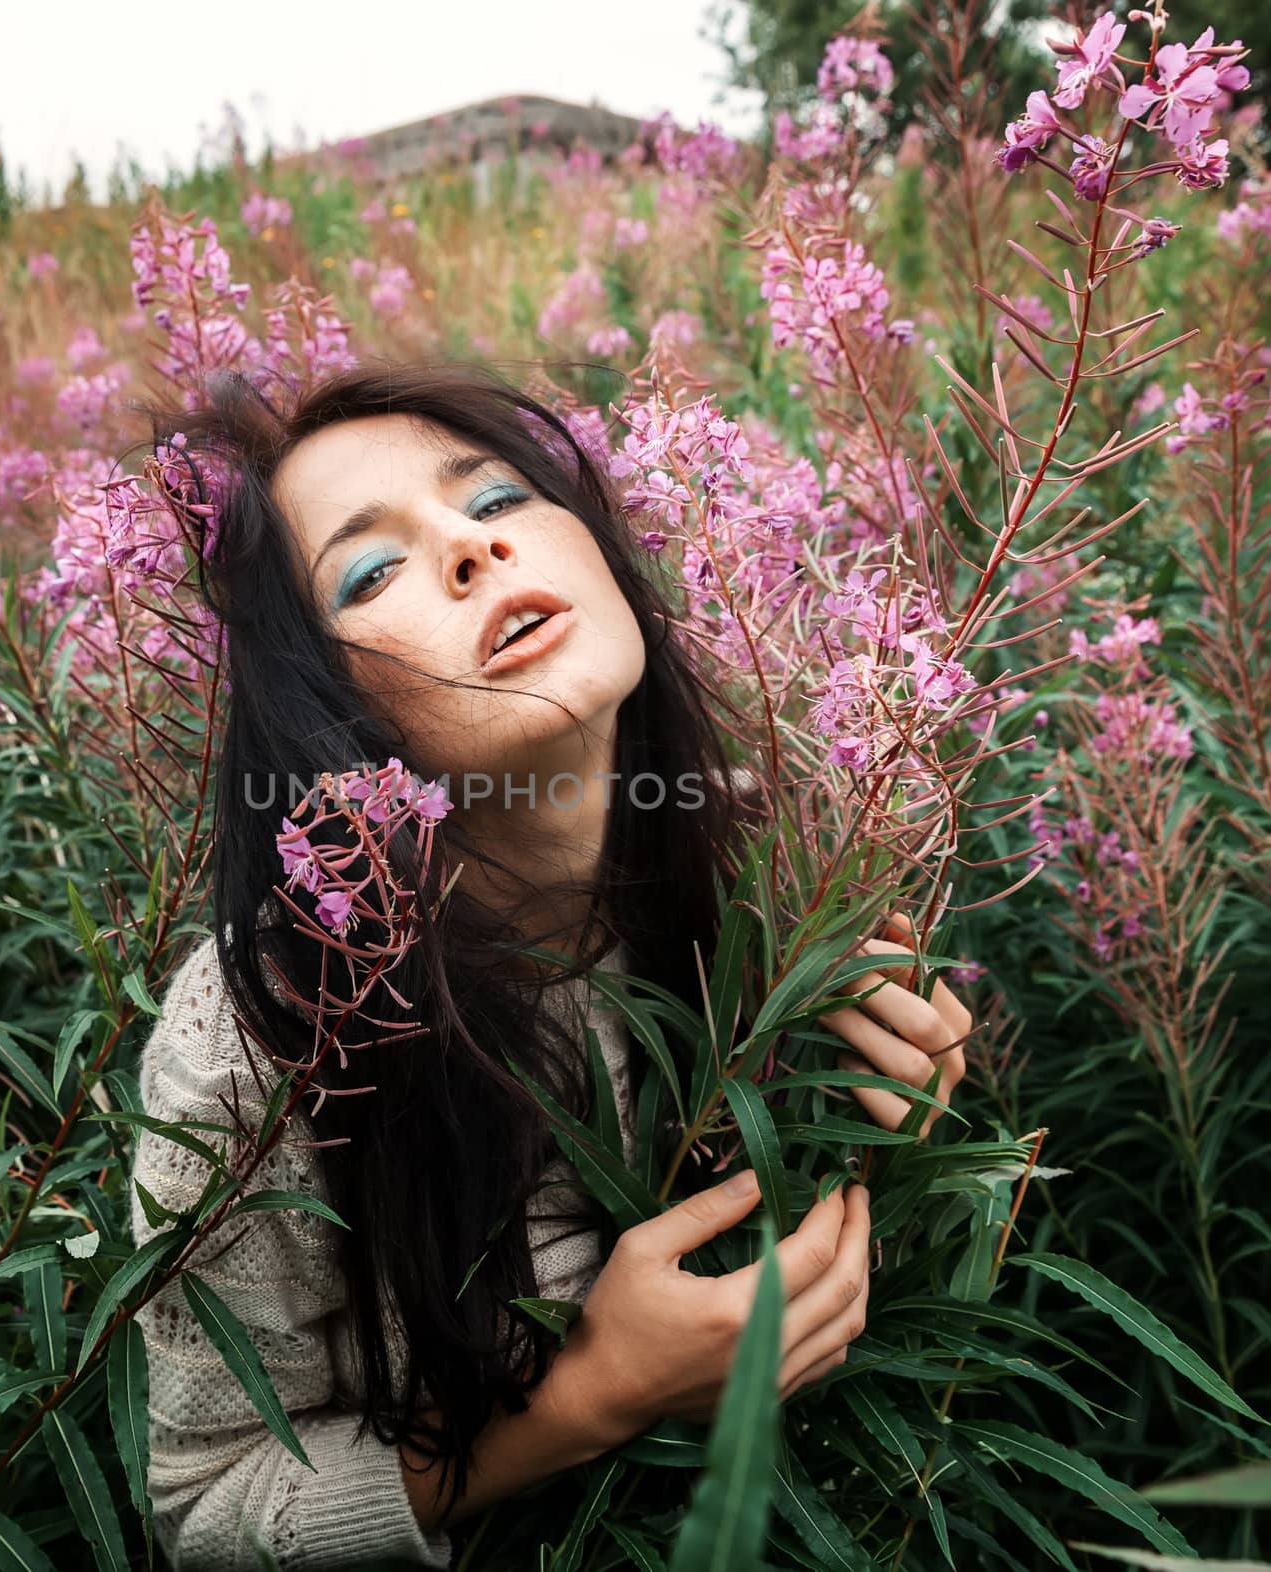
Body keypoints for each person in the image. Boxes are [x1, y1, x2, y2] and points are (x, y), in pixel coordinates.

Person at [127, 361, 971, 1570]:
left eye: (500, 499)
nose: (472, 550)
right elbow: (201, 1506)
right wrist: (587, 1400)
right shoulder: (262, 1034)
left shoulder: (788, 856)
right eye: (369, 572)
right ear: (320, 708)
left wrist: (895, 1132)